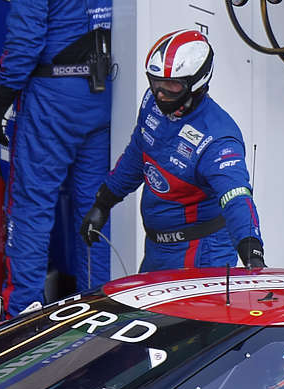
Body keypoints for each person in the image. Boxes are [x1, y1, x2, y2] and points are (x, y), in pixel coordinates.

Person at [0, 0, 113, 309]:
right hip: (105, 99)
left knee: (32, 208)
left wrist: (2, 95)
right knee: (95, 211)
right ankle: (97, 311)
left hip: (52, 101)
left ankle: (21, 314)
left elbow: (23, 44)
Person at [83, 29, 265, 285]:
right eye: (155, 82)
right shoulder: (151, 103)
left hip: (201, 255)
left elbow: (236, 197)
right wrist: (103, 202)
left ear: (196, 84)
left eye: (171, 86)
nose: (160, 93)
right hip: (157, 249)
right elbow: (138, 154)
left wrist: (252, 254)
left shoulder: (218, 137)